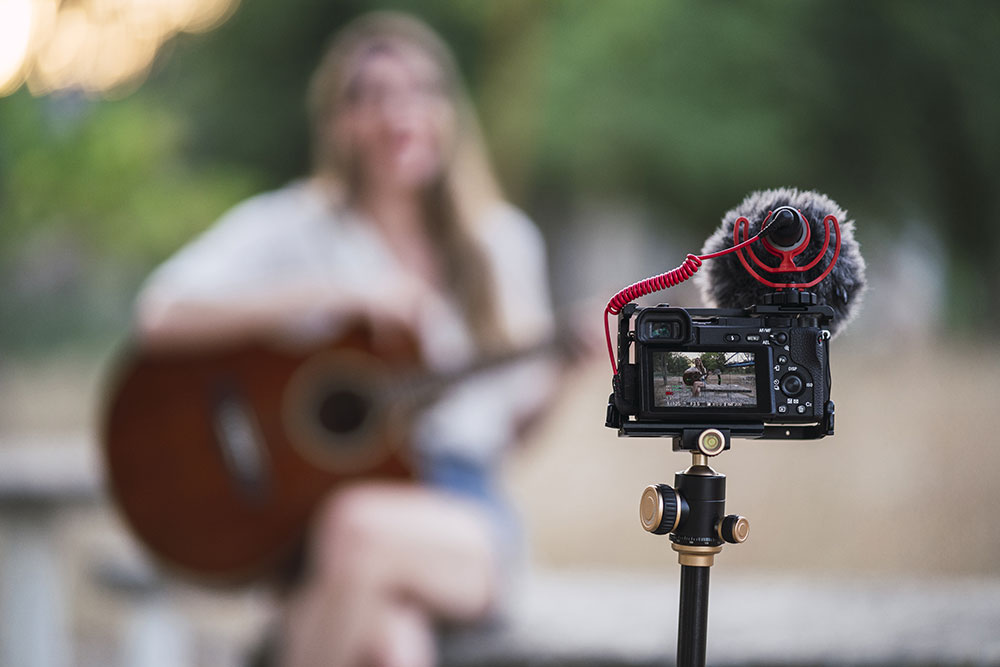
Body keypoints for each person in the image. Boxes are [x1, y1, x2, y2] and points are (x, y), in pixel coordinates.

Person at [136, 12, 560, 667]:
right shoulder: (295, 227)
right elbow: (160, 315)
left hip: (459, 509)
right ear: (338, 122)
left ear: (449, 111)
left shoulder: (502, 243)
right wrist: (331, 295)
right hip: (318, 505)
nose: (400, 113)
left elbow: (512, 433)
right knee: (392, 645)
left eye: (421, 91)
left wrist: (573, 371)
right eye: (372, 96)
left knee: (357, 529)